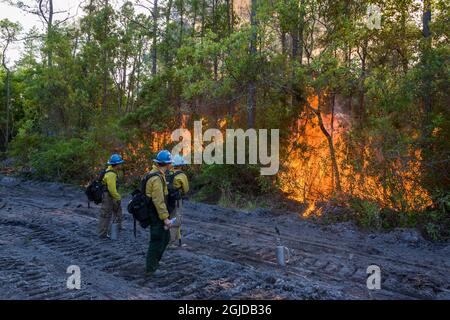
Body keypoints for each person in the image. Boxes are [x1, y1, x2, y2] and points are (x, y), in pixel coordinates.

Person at [145, 150, 173, 276]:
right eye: (169, 164)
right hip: (156, 214)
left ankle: (154, 263)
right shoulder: (156, 178)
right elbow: (158, 200)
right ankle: (151, 269)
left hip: (155, 213)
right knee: (157, 239)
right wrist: (165, 218)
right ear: (166, 164)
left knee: (165, 238)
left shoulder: (155, 173)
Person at [98, 154, 124, 238]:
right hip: (108, 196)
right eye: (120, 163)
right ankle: (103, 233)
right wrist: (118, 197)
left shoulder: (109, 171)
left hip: (109, 195)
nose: (121, 165)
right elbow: (112, 189)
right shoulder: (111, 174)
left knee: (117, 211)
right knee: (106, 214)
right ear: (117, 164)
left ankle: (116, 228)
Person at [167, 154, 190, 248]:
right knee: (176, 220)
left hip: (167, 200)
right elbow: (186, 189)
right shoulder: (181, 175)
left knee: (171, 218)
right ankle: (170, 243)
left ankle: (175, 241)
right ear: (181, 165)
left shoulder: (169, 173)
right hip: (176, 200)